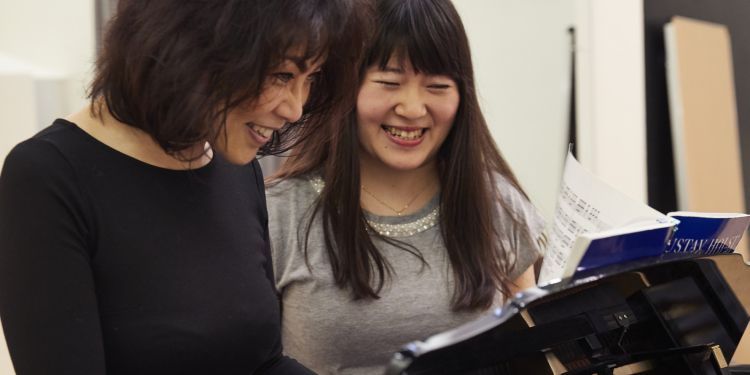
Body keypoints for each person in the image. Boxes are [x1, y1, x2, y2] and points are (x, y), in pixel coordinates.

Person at [0, 0, 369, 374]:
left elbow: (262, 363)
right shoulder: (49, 176)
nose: (295, 108)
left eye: (311, 78)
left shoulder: (234, 167)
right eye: (281, 76)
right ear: (194, 48)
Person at [266, 0, 548, 373]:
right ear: (346, 87)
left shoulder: (496, 204)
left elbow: (534, 355)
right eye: (389, 83)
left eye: (437, 86)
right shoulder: (279, 212)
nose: (413, 108)